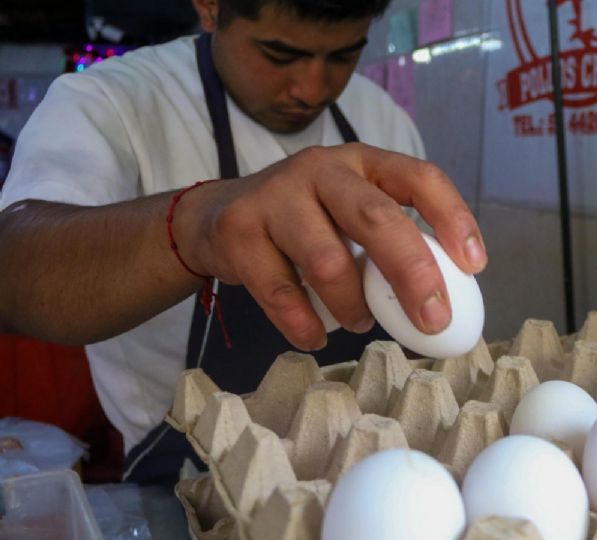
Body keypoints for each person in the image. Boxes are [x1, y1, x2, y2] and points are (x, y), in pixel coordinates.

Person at [0, 0, 487, 484]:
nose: (311, 88)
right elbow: (14, 269)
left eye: (343, 56)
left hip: (370, 467)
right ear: (210, 8)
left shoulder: (380, 118)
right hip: (189, 480)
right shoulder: (111, 103)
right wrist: (197, 226)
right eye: (278, 54)